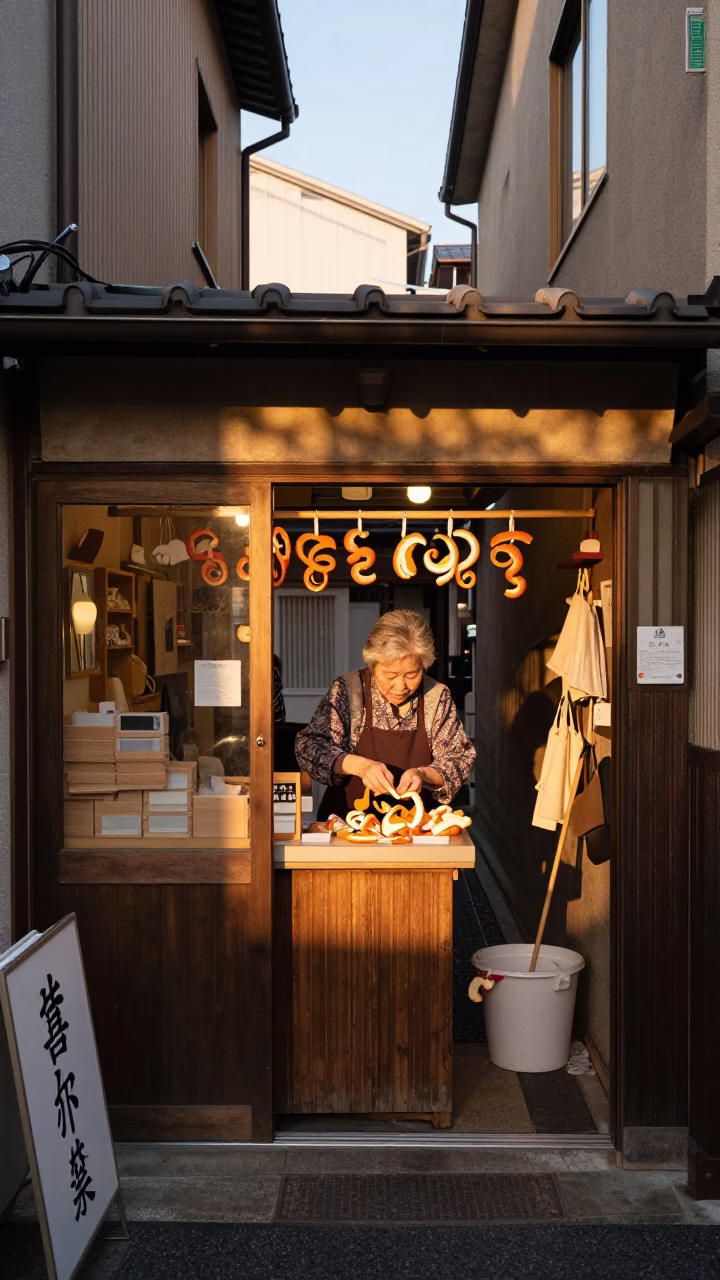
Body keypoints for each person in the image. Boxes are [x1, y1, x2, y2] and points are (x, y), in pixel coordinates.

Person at [295, 609, 476, 820]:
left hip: (416, 830)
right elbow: (308, 746)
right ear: (372, 664)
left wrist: (424, 774)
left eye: (412, 674)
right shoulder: (349, 691)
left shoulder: (435, 696)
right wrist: (359, 766)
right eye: (390, 675)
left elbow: (460, 757)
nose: (401, 686)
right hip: (349, 826)